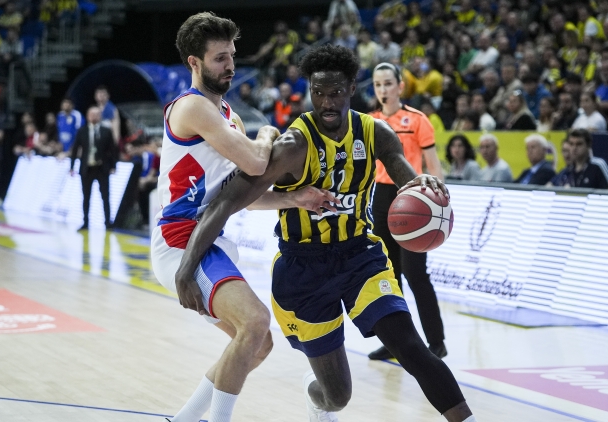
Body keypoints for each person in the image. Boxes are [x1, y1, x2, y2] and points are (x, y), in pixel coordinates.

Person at [176, 44, 477, 422]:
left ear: (351, 88)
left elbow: (406, 179)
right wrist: (186, 268)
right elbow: (226, 202)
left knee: (410, 346)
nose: (327, 102)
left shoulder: (377, 134)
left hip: (360, 256)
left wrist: (423, 186)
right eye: (318, 93)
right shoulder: (293, 145)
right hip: (304, 269)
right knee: (336, 396)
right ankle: (315, 395)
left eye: (335, 92)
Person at [149, 13, 330, 422]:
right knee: (255, 321)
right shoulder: (192, 107)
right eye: (219, 58)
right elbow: (256, 161)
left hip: (207, 239)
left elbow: (244, 198)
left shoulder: (227, 113)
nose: (230, 65)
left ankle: (184, 419)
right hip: (182, 241)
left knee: (257, 343)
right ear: (194, 62)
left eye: (232, 55)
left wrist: (295, 199)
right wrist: (266, 132)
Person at [367, 62, 449, 362]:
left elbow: (433, 165)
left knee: (415, 273)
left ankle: (436, 341)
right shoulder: (369, 121)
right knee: (388, 274)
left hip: (413, 198)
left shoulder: (417, 120)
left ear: (400, 86)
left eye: (388, 83)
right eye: (378, 84)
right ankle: (396, 343)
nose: (383, 89)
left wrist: (439, 200)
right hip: (380, 198)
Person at [70, 107, 118, 230]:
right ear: (87, 116)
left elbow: (113, 150)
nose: (94, 117)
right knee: (86, 196)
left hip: (102, 168)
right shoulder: (82, 131)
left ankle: (108, 222)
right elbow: (75, 149)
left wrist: (113, 166)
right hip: (87, 168)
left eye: (96, 114)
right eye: (91, 114)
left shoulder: (106, 131)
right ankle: (85, 221)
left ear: (100, 116)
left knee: (105, 196)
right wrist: (72, 166)